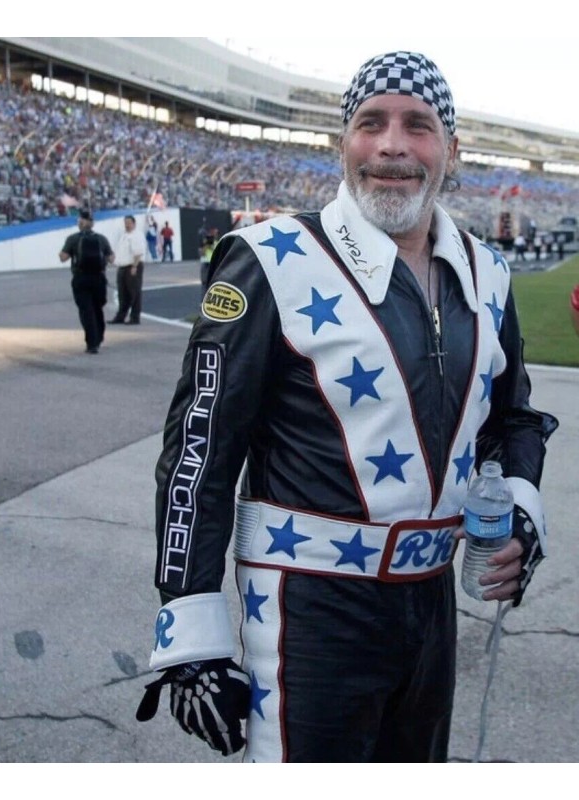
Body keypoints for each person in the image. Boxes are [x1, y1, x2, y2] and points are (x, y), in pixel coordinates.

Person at [136, 51, 558, 763]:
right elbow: (198, 452)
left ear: (451, 152)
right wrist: (191, 631)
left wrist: (517, 504)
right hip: (309, 613)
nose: (392, 144)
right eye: (371, 123)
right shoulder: (268, 259)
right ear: (344, 143)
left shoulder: (490, 273)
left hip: (431, 610)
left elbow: (512, 420)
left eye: (418, 126)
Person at [58, 210, 113, 353]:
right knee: (97, 309)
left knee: (86, 311)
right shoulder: (101, 239)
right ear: (92, 223)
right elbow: (111, 258)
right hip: (99, 279)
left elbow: (63, 257)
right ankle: (99, 337)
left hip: (81, 278)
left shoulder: (73, 239)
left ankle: (91, 343)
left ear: (81, 223)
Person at [109, 215, 146, 325]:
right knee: (122, 293)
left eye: (129, 222)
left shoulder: (136, 235)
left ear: (134, 223)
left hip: (132, 265)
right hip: (122, 266)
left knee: (134, 292)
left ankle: (135, 317)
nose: (127, 225)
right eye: (125, 222)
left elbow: (138, 253)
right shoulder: (124, 235)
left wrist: (134, 266)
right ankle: (121, 316)